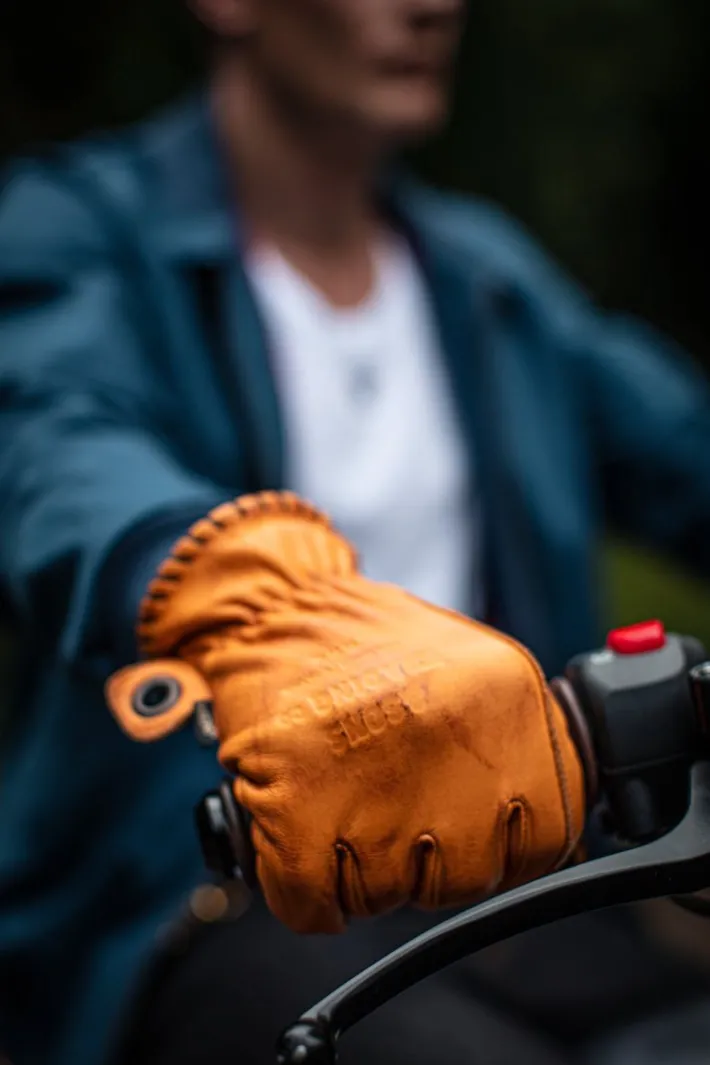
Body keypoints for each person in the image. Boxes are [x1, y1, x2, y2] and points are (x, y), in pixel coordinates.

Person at [0, 1, 709, 1064]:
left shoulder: (483, 277)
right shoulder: (82, 227)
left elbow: (682, 449)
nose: (430, 5)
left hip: (521, 868)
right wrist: (257, 606)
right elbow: (56, 450)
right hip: (223, 898)